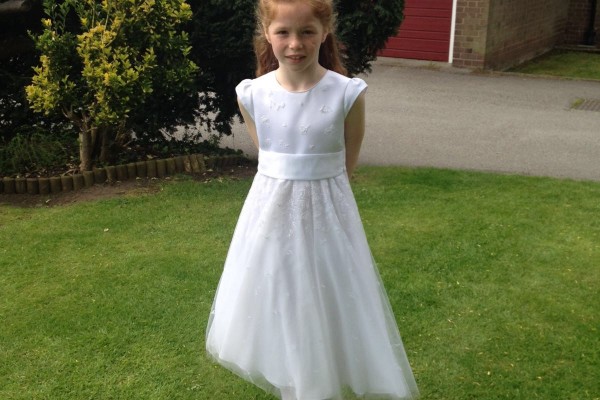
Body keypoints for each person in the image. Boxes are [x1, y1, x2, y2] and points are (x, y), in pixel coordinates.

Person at [205, 0, 420, 399]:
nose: (295, 44)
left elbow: (346, 163)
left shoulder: (347, 94)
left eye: (306, 32)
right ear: (267, 34)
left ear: (325, 32)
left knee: (322, 305)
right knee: (281, 304)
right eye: (283, 32)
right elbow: (269, 154)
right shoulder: (252, 94)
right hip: (269, 224)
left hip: (327, 221)